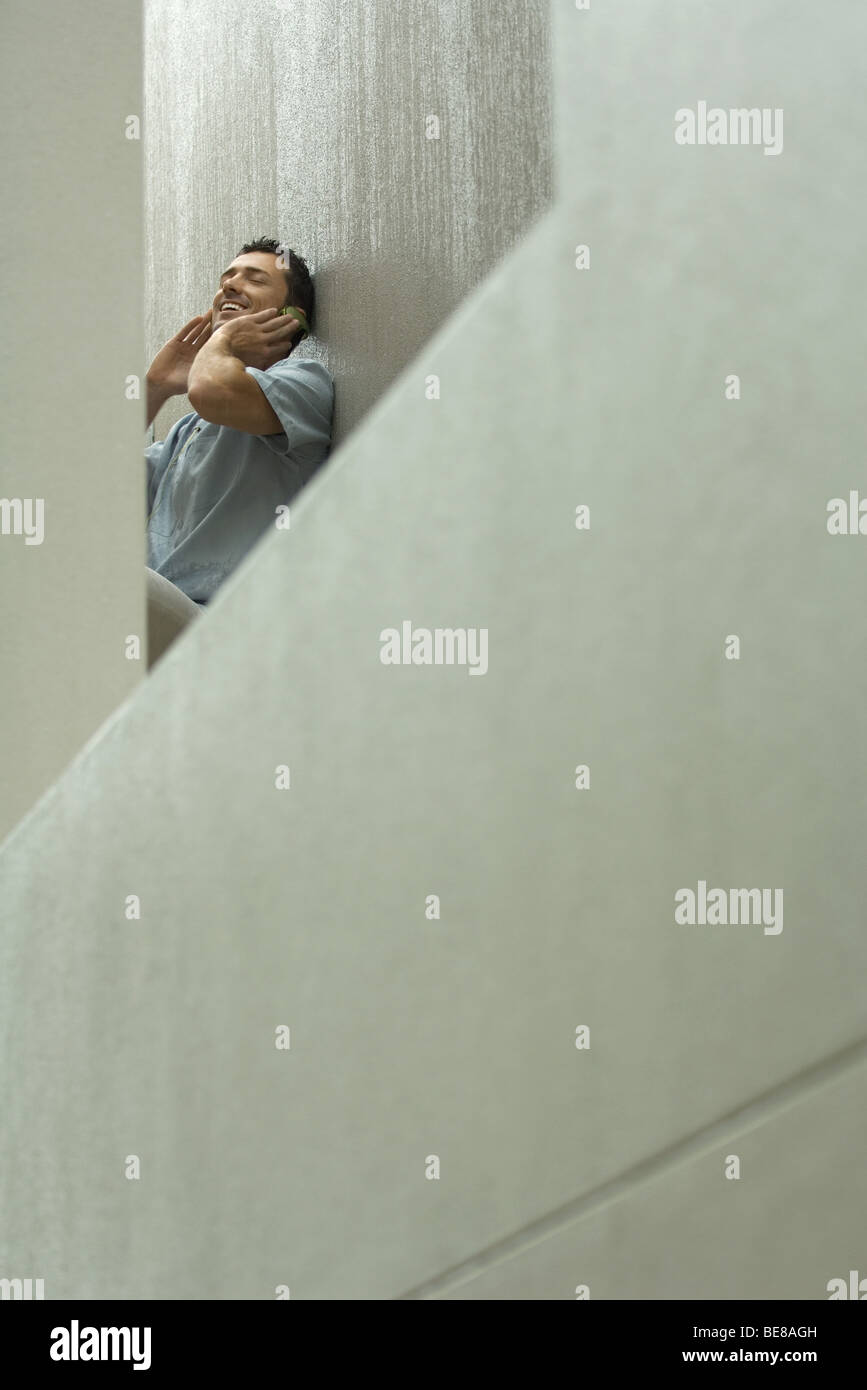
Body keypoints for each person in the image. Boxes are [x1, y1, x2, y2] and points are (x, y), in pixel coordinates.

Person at [143, 237, 334, 664]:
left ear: (291, 319)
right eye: (226, 278)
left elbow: (215, 390)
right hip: (158, 626)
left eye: (254, 278)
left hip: (221, 633)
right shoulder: (189, 429)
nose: (230, 285)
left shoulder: (304, 382)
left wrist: (221, 344)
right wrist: (153, 391)